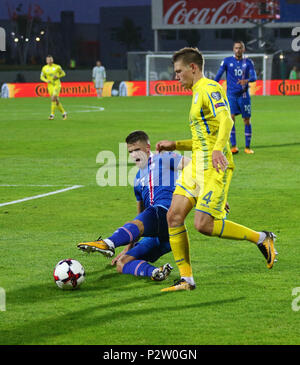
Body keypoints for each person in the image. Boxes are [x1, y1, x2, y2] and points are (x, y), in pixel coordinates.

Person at [155, 47, 277, 292]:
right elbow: (203, 139)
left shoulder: (209, 88)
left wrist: (220, 149)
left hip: (214, 165)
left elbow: (227, 120)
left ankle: (262, 238)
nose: (176, 76)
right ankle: (186, 279)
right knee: (174, 216)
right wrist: (175, 144)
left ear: (193, 67)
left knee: (204, 224)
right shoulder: (195, 93)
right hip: (197, 164)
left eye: (179, 71)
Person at [77, 130, 190, 281]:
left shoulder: (163, 158)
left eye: (137, 150)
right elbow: (140, 217)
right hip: (162, 237)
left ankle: (108, 243)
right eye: (131, 151)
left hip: (167, 215)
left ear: (148, 148)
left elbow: (193, 167)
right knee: (123, 264)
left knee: (155, 211)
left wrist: (211, 194)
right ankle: (156, 272)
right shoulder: (137, 180)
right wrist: (128, 248)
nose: (134, 155)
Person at [215, 41, 257, 154]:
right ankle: (234, 147)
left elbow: (254, 77)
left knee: (246, 120)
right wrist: (212, 84)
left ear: (243, 49)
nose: (238, 50)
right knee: (231, 119)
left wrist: (246, 80)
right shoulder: (227, 61)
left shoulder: (248, 62)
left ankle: (247, 147)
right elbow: (219, 74)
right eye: (236, 48)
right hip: (231, 95)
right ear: (233, 49)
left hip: (244, 95)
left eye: (240, 48)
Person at [40, 55, 67, 120]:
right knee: (56, 101)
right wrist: (47, 80)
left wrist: (57, 77)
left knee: (53, 98)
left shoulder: (57, 67)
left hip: (57, 85)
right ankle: (64, 113)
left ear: (52, 60)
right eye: (48, 60)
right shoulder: (44, 68)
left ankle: (52, 115)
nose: (49, 61)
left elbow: (63, 73)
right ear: (46, 61)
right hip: (50, 86)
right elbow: (41, 77)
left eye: (50, 59)